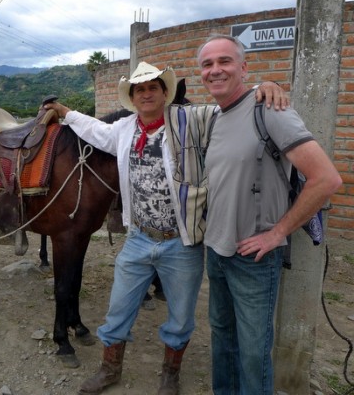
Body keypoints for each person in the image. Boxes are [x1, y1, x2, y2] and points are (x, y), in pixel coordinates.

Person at [44, 61, 286, 395]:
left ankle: (170, 375)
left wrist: (265, 85)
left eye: (152, 88)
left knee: (181, 317)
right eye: (139, 89)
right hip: (139, 239)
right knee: (118, 309)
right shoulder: (125, 129)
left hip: (181, 243)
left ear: (164, 93)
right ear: (132, 97)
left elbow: (231, 111)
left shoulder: (191, 119)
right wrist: (67, 113)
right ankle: (109, 368)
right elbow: (95, 131)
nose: (146, 94)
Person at [197, 33, 343, 394]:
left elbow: (326, 179)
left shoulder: (270, 110)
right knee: (222, 339)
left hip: (254, 258)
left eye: (225, 61)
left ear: (244, 68)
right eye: (207, 64)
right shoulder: (214, 117)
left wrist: (278, 233)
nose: (215, 70)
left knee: (252, 353)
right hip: (215, 251)